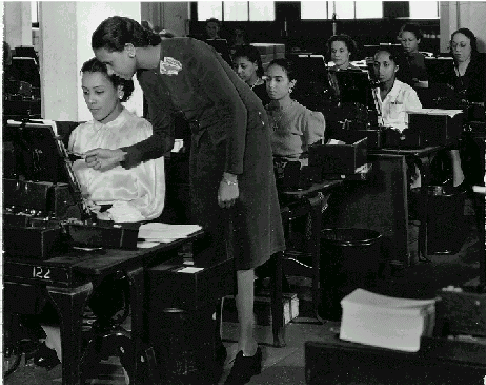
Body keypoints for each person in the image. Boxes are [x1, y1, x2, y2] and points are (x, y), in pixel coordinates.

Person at [87, 16, 285, 385]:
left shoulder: (191, 52)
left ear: (130, 50)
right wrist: (121, 155)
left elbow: (237, 110)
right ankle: (206, 344)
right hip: (206, 140)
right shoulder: (146, 76)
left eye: (111, 63)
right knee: (206, 238)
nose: (111, 73)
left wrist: (231, 176)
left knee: (243, 244)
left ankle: (248, 349)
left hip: (245, 137)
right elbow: (165, 138)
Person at [35, 57, 166, 370]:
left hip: (119, 234)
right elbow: (69, 189)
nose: (91, 100)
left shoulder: (142, 133)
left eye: (98, 92)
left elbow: (153, 202)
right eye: (85, 93)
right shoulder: (80, 135)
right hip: (82, 231)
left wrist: (108, 211)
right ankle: (57, 341)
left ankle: (70, 347)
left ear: (120, 89)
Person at [265, 58, 325, 175]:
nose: (271, 85)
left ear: (291, 83)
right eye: (268, 79)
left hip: (295, 177)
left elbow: (317, 158)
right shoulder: (261, 112)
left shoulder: (306, 116)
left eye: (278, 80)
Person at [372, 48, 422, 133]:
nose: (380, 70)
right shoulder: (370, 91)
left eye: (386, 64)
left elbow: (417, 125)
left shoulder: (407, 93)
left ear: (396, 68)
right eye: (376, 65)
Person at [326, 34, 360, 99]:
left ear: (349, 52)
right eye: (333, 51)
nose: (337, 55)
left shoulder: (356, 72)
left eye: (341, 51)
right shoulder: (329, 71)